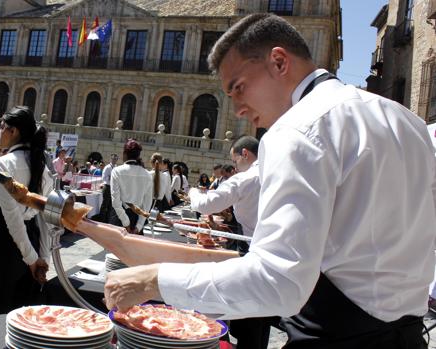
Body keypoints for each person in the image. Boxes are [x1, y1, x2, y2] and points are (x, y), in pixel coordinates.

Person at [104, 13, 435, 349]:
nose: (237, 109)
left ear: (279, 62)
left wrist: (153, 279)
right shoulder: (408, 122)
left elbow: (279, 282)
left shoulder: (296, 129)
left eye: (238, 88)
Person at [0, 106, 54, 321]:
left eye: (2, 127)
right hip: (30, 242)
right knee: (22, 319)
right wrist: (42, 257)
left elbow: (12, 219)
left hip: (4, 246)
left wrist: (34, 259)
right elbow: (45, 219)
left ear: (13, 131)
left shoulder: (4, 163)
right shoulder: (42, 167)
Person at [189, 135, 265, 348]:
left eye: (235, 161)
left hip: (253, 249)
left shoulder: (247, 178)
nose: (235, 166)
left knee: (247, 313)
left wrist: (194, 192)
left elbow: (204, 204)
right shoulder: (274, 172)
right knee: (260, 318)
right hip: (265, 244)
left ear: (245, 154)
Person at [109, 139, 152, 235]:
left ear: (124, 153)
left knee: (114, 249)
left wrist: (126, 222)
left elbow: (115, 201)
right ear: (138, 155)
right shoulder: (148, 175)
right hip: (137, 217)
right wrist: (139, 226)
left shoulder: (116, 171)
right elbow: (147, 204)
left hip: (119, 217)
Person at [99, 154, 118, 222]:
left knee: (110, 205)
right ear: (111, 159)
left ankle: (107, 220)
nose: (114, 160)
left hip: (113, 187)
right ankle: (101, 219)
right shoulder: (107, 167)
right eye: (113, 159)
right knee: (104, 204)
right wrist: (111, 178)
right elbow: (104, 178)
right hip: (107, 187)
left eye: (116, 159)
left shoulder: (116, 167)